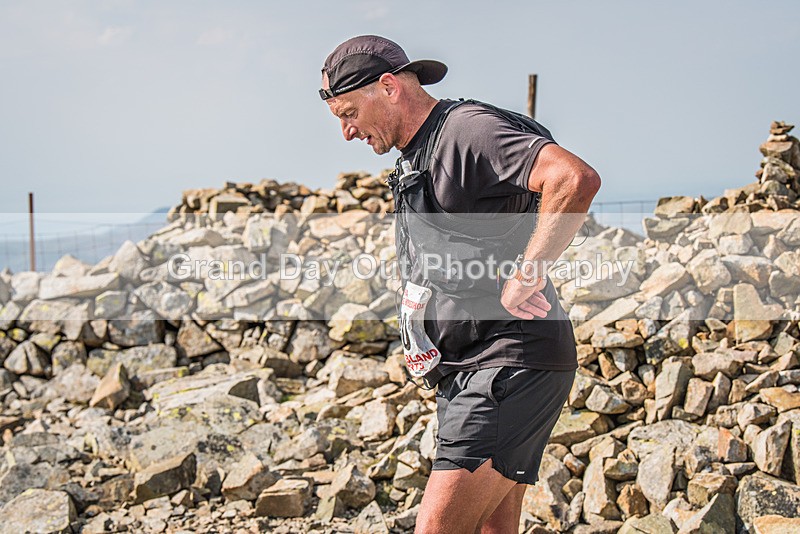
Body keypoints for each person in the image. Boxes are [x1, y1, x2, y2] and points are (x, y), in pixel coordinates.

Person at [319, 35, 600, 534]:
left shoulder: (465, 131)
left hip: (506, 364)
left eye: (349, 113)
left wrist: (527, 273)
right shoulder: (419, 150)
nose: (346, 132)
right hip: (472, 369)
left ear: (389, 87)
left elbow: (573, 178)